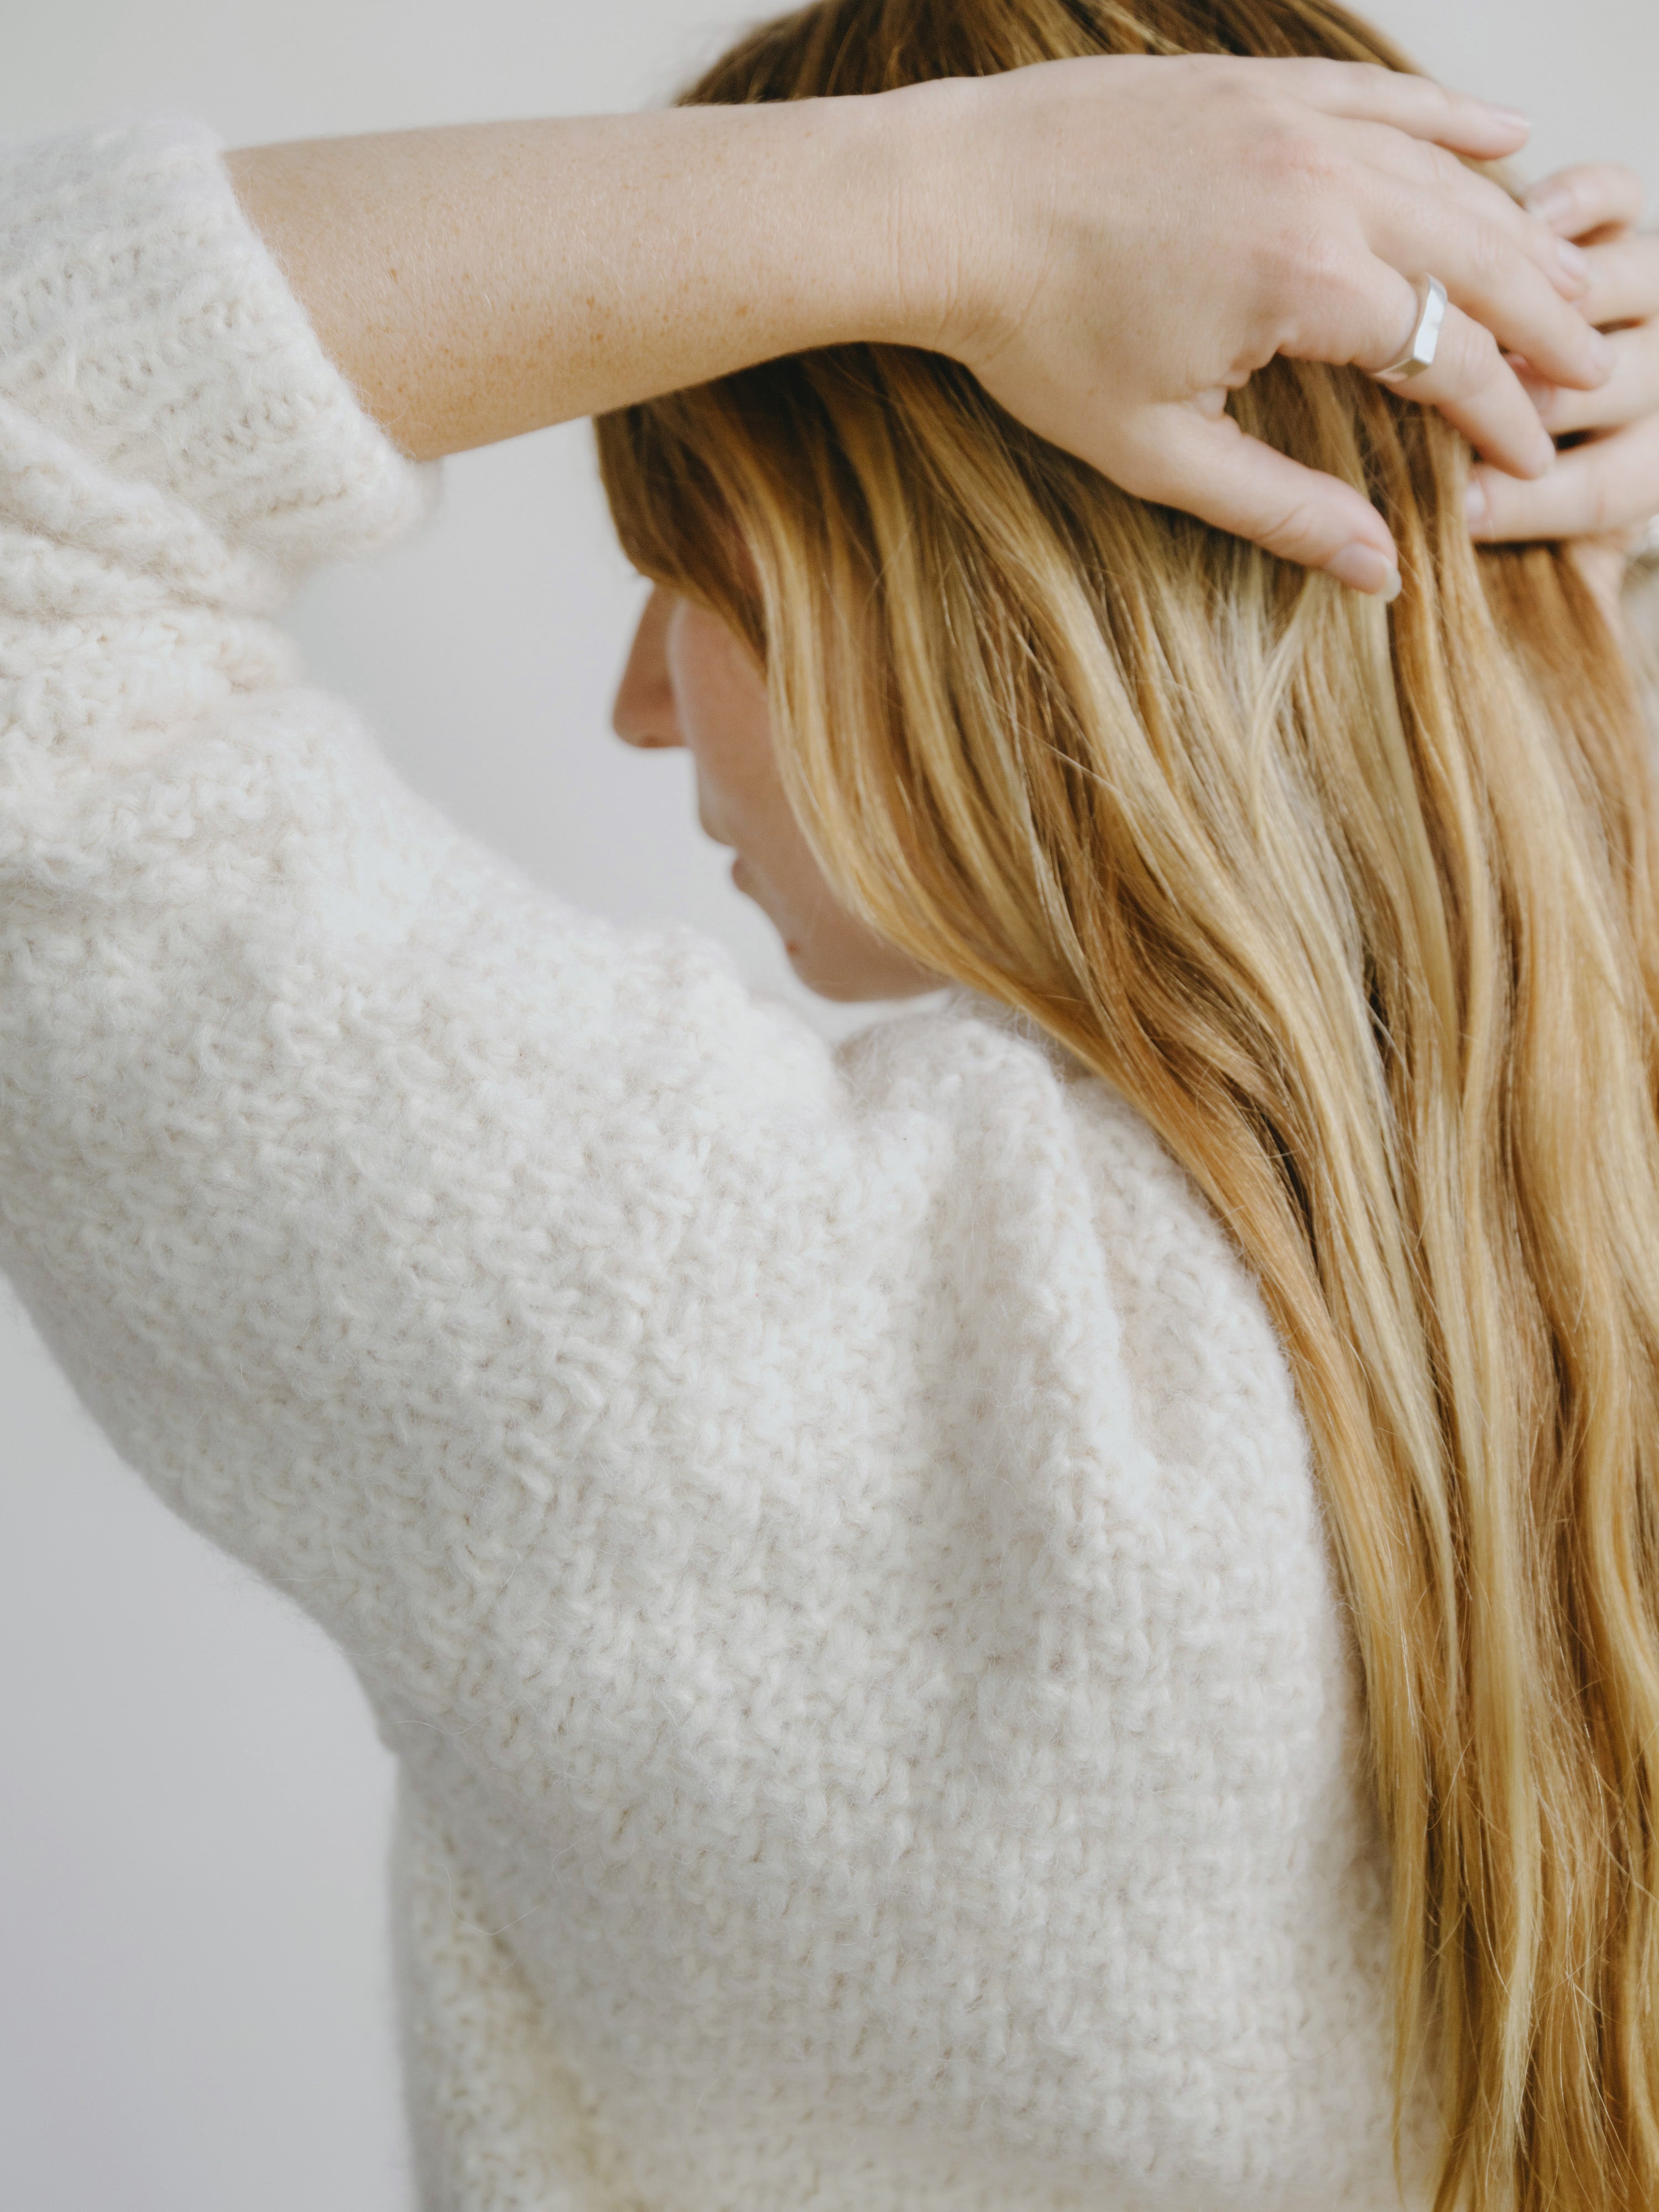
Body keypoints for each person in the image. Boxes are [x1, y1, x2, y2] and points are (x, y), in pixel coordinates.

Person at [2, 0, 1657, 2206]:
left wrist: (957, 198)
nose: (634, 695)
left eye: (703, 564)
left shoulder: (790, 1335)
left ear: (997, 591)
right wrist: (1527, 567)